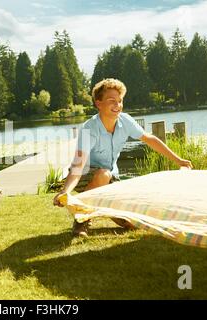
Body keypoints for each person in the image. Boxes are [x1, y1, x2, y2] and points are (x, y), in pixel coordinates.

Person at [53, 78, 193, 237]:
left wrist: (179, 160)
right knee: (103, 174)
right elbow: (77, 167)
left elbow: (150, 139)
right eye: (112, 101)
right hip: (86, 176)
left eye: (120, 101)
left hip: (111, 177)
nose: (117, 105)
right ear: (98, 103)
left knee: (131, 223)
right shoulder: (89, 129)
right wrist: (65, 191)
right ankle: (81, 221)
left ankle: (104, 207)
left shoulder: (125, 120)